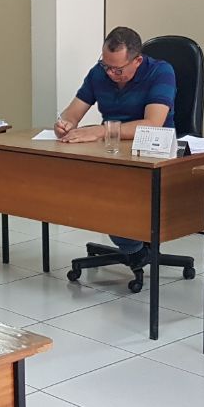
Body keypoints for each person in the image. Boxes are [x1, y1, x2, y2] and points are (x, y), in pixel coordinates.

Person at [54, 26, 177, 266]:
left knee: (116, 194)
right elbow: (72, 113)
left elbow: (153, 123)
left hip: (153, 152)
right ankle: (133, 247)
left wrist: (102, 130)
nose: (110, 73)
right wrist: (64, 124)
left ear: (137, 61)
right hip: (113, 151)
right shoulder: (98, 73)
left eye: (117, 69)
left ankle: (134, 250)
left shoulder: (161, 72)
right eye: (106, 66)